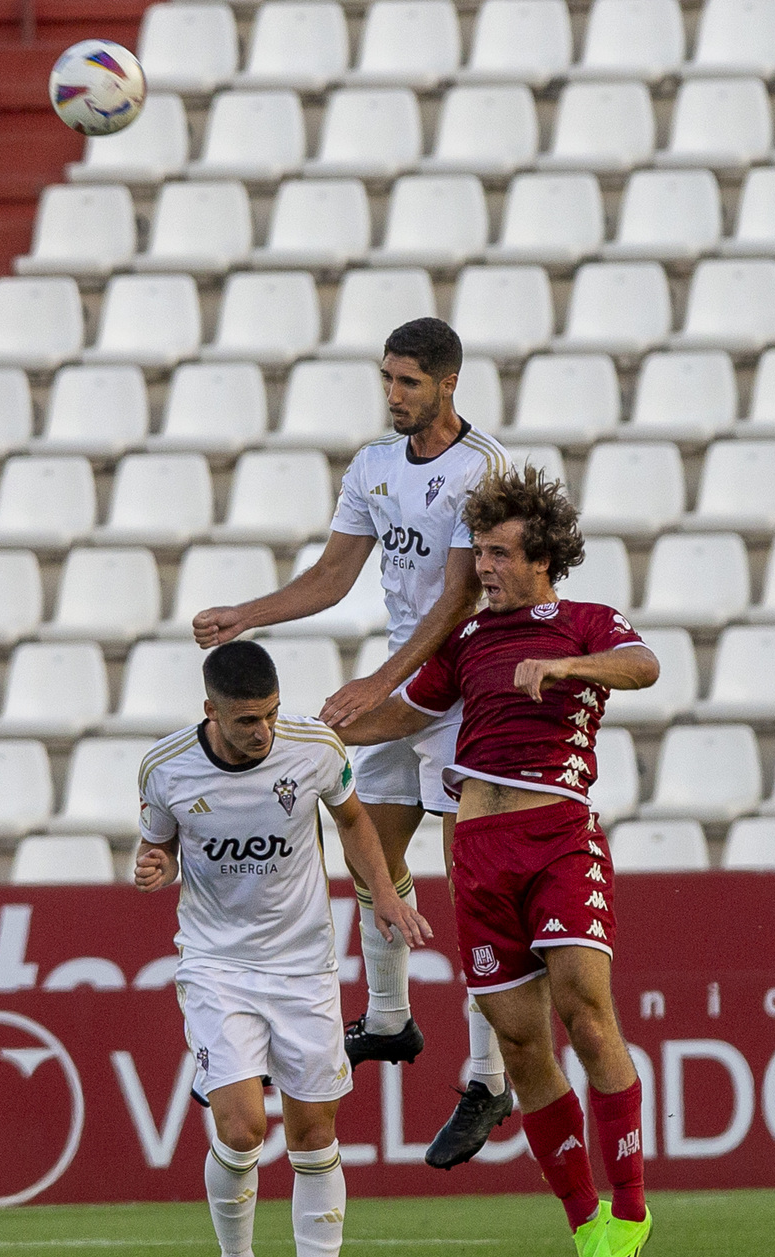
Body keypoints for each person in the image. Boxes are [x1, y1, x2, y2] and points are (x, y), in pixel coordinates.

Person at [193, 316, 514, 1170]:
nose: (393, 395)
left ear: (447, 383)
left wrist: (381, 683)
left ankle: (487, 1077)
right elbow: (335, 575)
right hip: (407, 683)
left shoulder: (480, 469)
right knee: (370, 848)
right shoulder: (373, 466)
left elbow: (458, 602)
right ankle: (387, 1017)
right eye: (386, 380)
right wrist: (247, 613)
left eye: (407, 382)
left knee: (470, 886)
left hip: (460, 690)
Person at [336, 466, 659, 1257]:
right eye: (477, 551)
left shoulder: (586, 623)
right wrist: (319, 735)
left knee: (586, 1012)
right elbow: (406, 714)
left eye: (499, 553)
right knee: (519, 1044)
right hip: (477, 847)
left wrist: (567, 667)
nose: (481, 567)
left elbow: (644, 665)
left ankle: (630, 1207)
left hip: (557, 835)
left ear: (544, 556)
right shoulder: (469, 641)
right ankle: (585, 1221)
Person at [135, 639, 431, 1257]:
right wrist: (153, 865)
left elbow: (354, 819)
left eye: (268, 715)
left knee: (314, 1136)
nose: (261, 731)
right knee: (241, 1129)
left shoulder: (314, 749)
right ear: (211, 711)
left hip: (303, 967)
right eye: (245, 721)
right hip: (216, 964)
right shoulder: (164, 768)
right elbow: (159, 847)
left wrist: (384, 894)